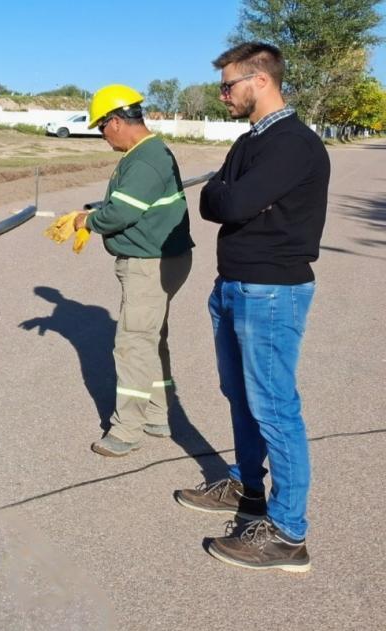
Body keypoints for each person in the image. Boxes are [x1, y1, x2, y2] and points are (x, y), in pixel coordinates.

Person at [175, 42, 329, 573]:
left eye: (228, 85)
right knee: (239, 394)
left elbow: (228, 202)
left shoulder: (293, 144)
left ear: (260, 80)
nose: (223, 95)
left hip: (270, 291)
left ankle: (289, 534)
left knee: (275, 406)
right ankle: (247, 489)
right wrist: (224, 194)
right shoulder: (251, 143)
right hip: (234, 286)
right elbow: (211, 198)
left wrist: (225, 195)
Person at [47, 84, 194, 457]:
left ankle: (126, 430)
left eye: (100, 127)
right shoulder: (148, 152)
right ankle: (159, 415)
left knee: (132, 344)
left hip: (150, 263)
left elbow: (122, 212)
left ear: (115, 121)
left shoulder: (144, 159)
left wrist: (85, 220)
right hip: (163, 259)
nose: (101, 135)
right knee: (150, 338)